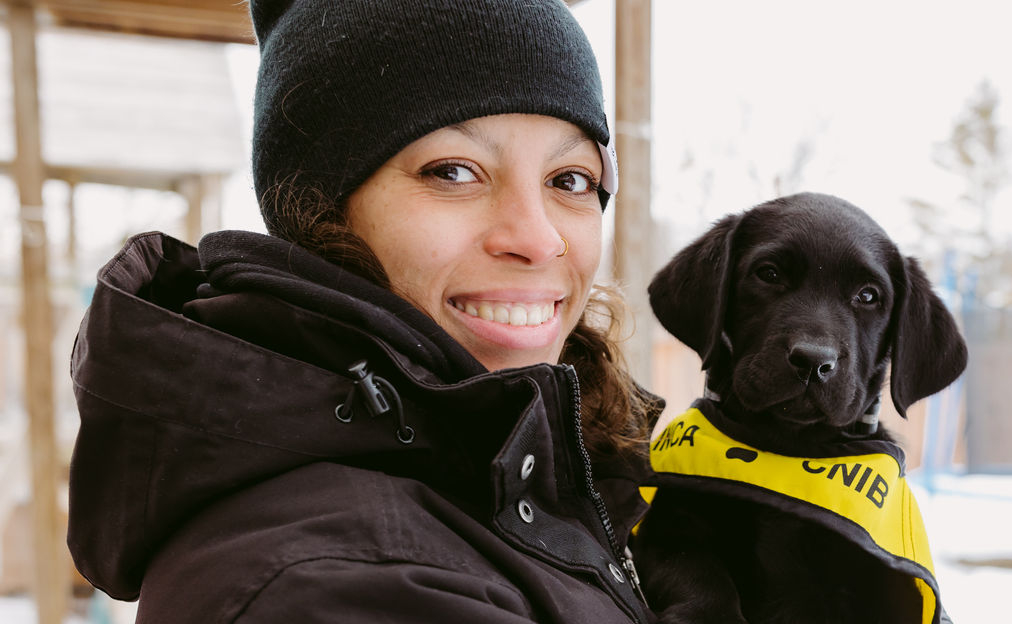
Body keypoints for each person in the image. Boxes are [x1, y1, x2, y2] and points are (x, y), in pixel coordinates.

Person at [66, 1, 658, 622]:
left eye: (570, 180)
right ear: (319, 216)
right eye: (454, 172)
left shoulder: (525, 481)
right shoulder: (344, 579)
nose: (538, 240)